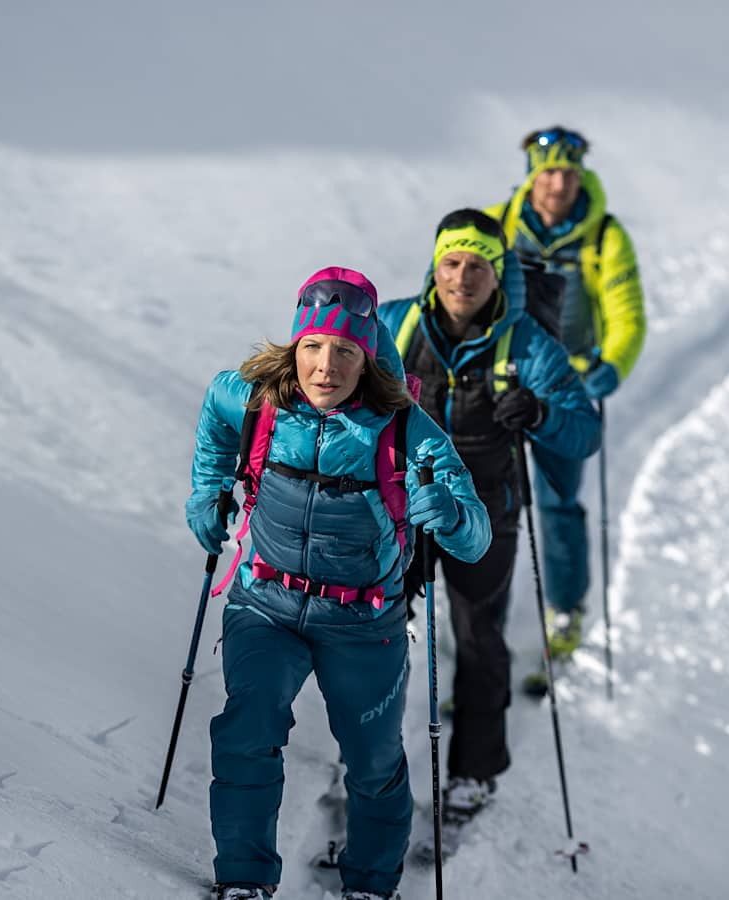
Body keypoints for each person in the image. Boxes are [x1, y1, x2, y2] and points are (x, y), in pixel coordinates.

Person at [184, 266, 492, 900]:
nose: (326, 366)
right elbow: (215, 425)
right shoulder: (250, 398)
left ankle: (373, 885)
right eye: (313, 348)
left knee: (375, 762)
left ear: (367, 356)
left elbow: (475, 535)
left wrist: (452, 517)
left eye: (345, 351)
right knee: (247, 733)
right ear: (295, 347)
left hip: (362, 623)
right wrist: (208, 492)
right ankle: (243, 880)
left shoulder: (407, 430)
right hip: (264, 605)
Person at [378, 210, 601, 833]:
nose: (462, 276)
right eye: (452, 261)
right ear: (435, 264)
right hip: (403, 504)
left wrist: (537, 412)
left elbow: (584, 432)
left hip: (486, 510)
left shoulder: (526, 342)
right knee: (378, 627)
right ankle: (368, 761)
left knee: (479, 636)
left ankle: (474, 771)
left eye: (479, 264)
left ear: (498, 273)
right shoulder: (395, 325)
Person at [485, 125, 646, 659]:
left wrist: (612, 364)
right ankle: (484, 619)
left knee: (556, 501)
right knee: (495, 500)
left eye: (567, 172)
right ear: (532, 174)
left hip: (568, 387)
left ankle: (566, 607)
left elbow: (627, 313)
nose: (558, 183)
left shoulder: (605, 235)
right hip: (503, 378)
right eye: (548, 171)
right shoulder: (498, 223)